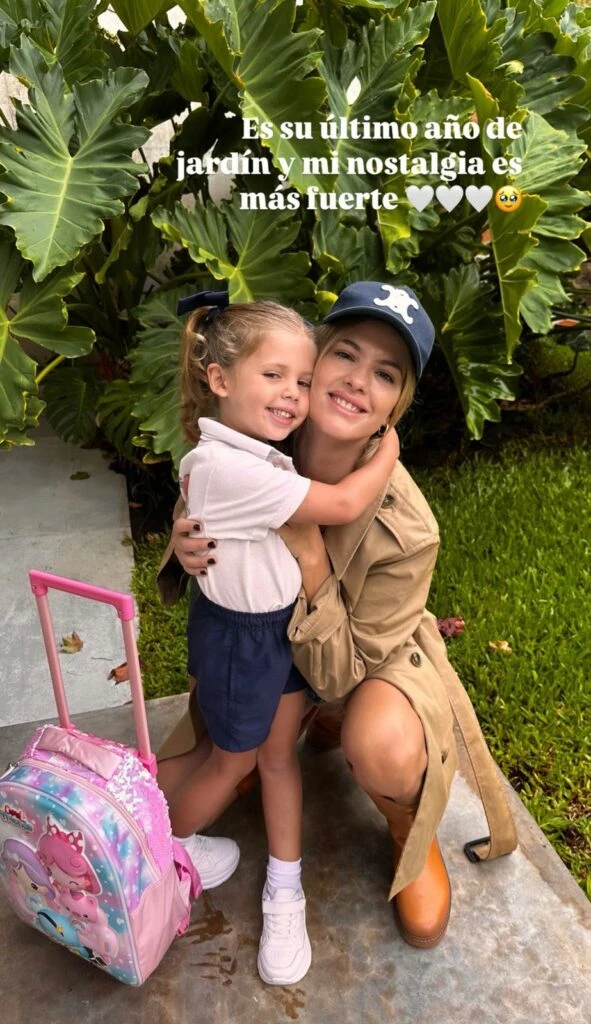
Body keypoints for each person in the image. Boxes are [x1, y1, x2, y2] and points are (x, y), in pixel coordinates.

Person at [157, 281, 517, 964]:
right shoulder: (265, 427)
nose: (356, 382)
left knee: (378, 741)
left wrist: (312, 558)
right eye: (343, 355)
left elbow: (345, 664)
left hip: (358, 658)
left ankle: (406, 824)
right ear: (311, 361)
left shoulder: (409, 529)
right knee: (233, 757)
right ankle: (155, 827)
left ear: (396, 404)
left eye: (384, 374)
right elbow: (208, 496)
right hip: (263, 648)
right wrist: (183, 539)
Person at [168, 291, 400, 986]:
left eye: (301, 380)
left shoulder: (247, 454)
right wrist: (387, 451)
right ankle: (156, 853)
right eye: (274, 376)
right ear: (218, 379)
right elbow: (343, 503)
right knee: (230, 763)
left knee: (276, 760)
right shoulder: (229, 466)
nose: (293, 395)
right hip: (244, 640)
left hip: (277, 631)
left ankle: (285, 886)